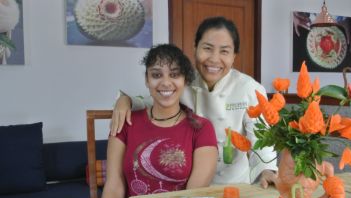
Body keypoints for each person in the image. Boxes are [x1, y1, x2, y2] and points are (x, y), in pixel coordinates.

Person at [110, 17, 278, 188]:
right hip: (191, 185)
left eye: (224, 51)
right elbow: (151, 101)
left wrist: (267, 169)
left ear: (234, 56)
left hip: (234, 185)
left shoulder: (249, 88)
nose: (214, 59)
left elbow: (262, 139)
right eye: (207, 48)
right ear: (195, 48)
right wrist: (126, 100)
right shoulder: (184, 83)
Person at [101, 44, 218, 198]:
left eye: (174, 75)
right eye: (156, 75)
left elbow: (193, 197)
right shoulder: (125, 122)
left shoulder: (202, 128)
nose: (165, 83)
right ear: (147, 80)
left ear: (185, 80)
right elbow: (114, 185)